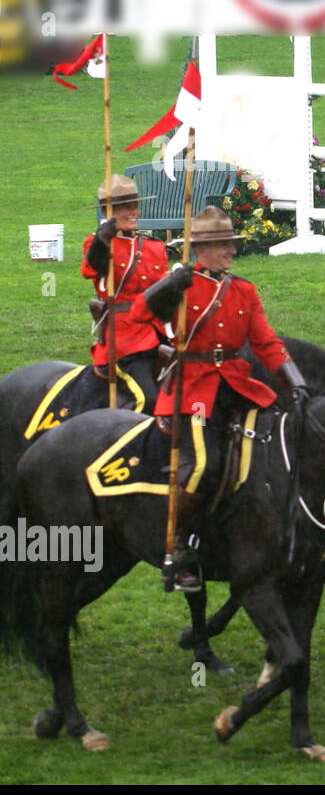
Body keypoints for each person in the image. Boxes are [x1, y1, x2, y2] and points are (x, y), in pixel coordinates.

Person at [136, 206, 308, 593]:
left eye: (232, 244)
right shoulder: (182, 284)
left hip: (234, 382)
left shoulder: (242, 289)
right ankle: (178, 548)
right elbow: (140, 312)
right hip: (193, 390)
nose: (232, 251)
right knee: (204, 465)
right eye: (224, 245)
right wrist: (168, 285)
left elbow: (265, 341)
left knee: (276, 443)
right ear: (204, 248)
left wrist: (293, 379)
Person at [81, 174, 169, 408]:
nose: (133, 212)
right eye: (123, 208)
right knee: (148, 399)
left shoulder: (154, 247)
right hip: (124, 340)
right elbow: (93, 265)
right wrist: (103, 238)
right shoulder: (98, 244)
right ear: (108, 210)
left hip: (158, 332)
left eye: (135, 206)